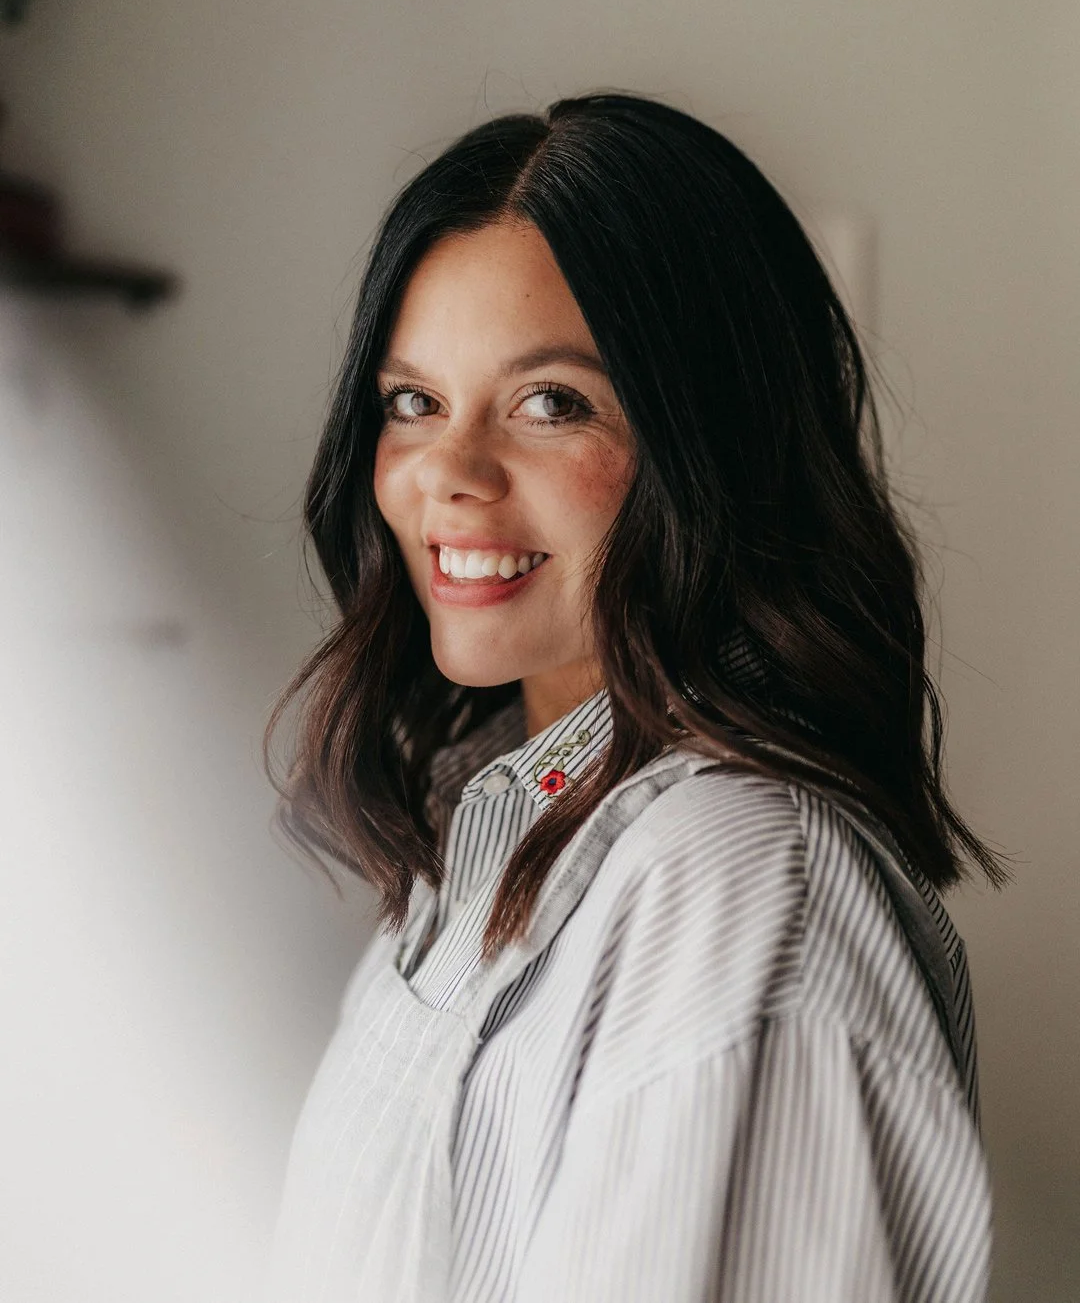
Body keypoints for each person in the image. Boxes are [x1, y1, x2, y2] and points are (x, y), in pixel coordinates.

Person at [263, 91, 1006, 1303]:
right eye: (414, 401)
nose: (448, 474)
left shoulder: (745, 896)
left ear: (707, 443)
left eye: (552, 401)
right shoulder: (477, 828)